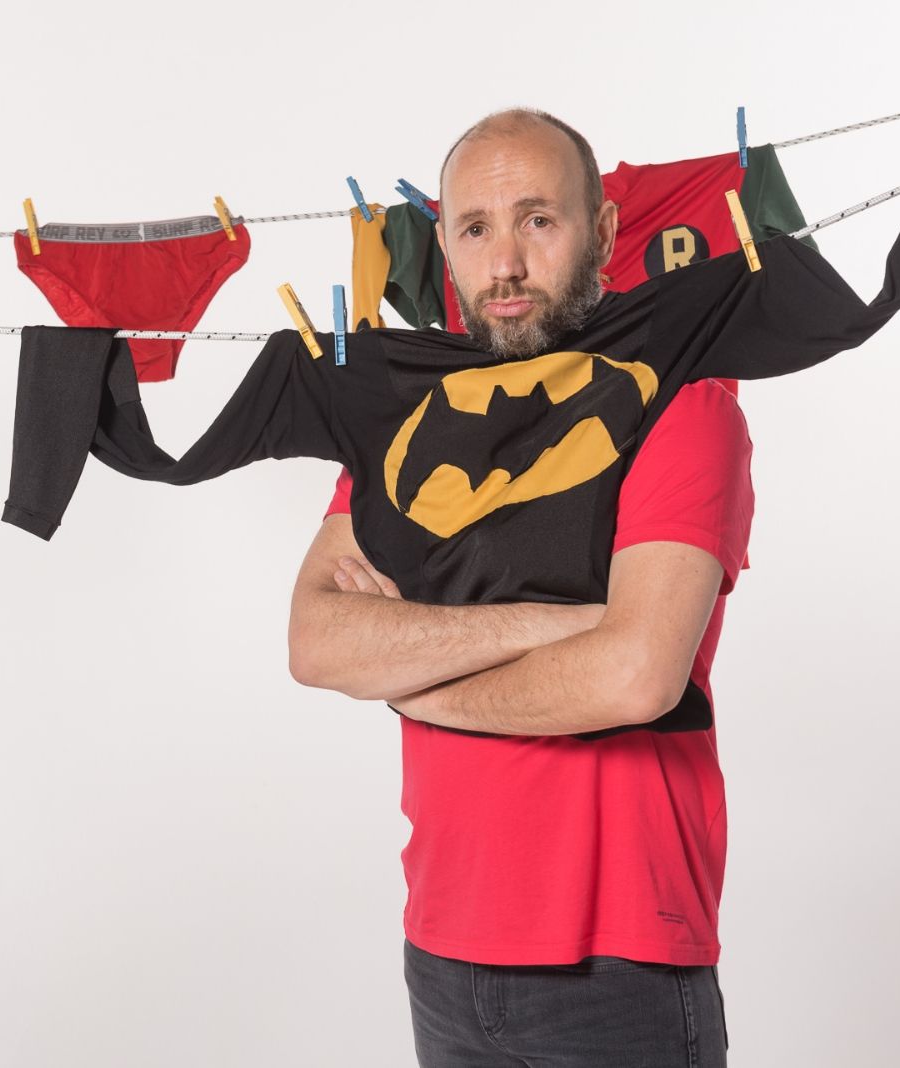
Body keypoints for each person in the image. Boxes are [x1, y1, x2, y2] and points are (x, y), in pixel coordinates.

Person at [288, 108, 751, 1066]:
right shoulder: (409, 427)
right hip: (441, 945)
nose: (505, 264)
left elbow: (635, 677)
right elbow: (318, 642)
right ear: (445, 250)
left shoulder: (681, 404)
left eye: (538, 220)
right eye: (475, 228)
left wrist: (416, 682)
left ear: (604, 231)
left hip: (618, 959)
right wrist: (558, 623)